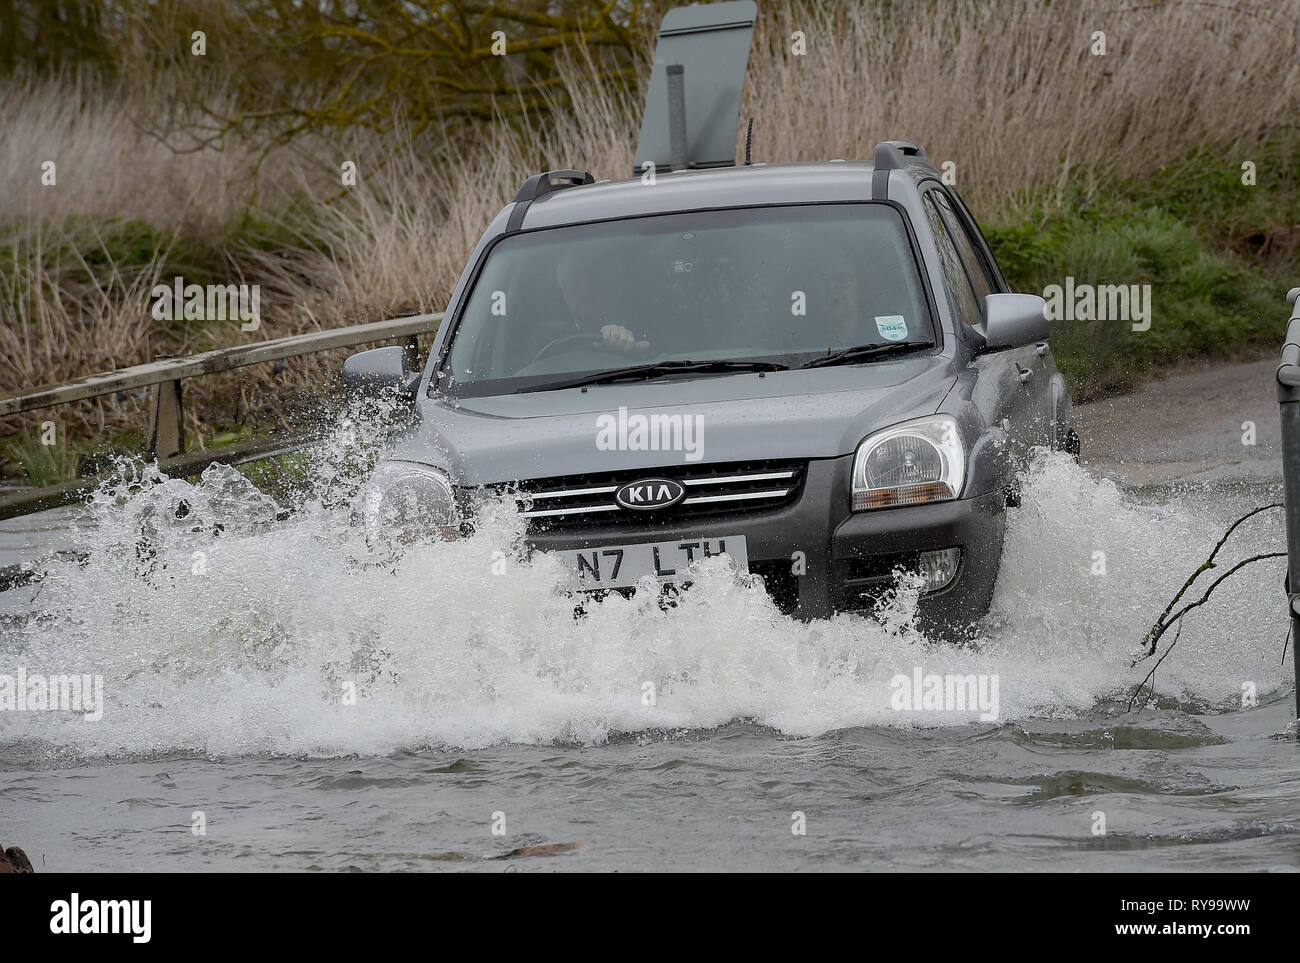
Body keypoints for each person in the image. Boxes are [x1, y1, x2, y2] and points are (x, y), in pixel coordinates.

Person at [555, 251, 649, 354]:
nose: (584, 287)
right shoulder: (550, 338)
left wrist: (634, 352)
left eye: (591, 277)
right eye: (574, 282)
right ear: (564, 295)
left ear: (614, 284)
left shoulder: (646, 324)